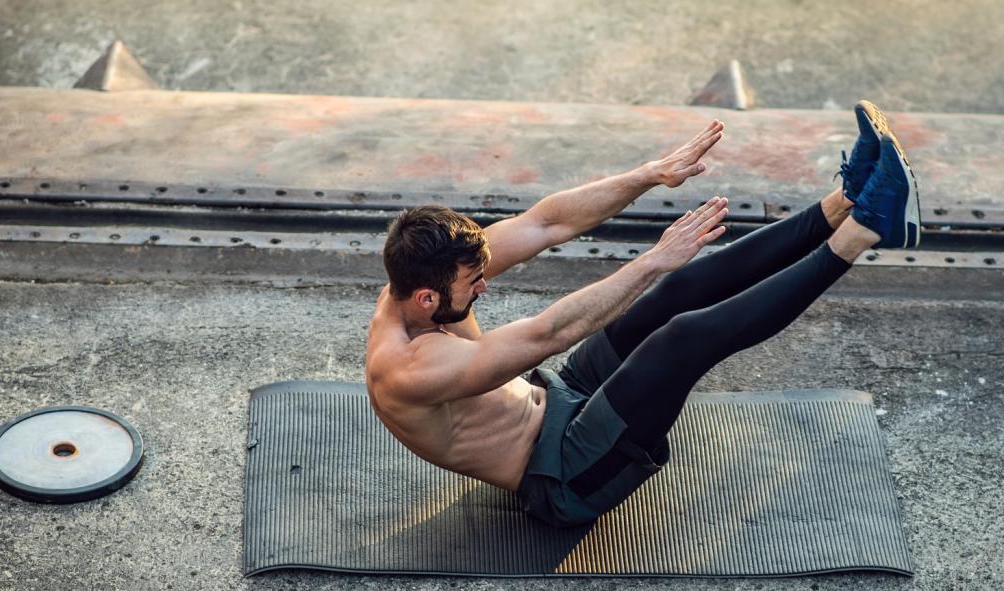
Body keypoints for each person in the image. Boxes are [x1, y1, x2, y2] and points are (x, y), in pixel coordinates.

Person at [365, 101, 920, 527]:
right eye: (474, 283)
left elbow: (544, 223)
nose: (485, 284)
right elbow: (549, 332)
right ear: (427, 302)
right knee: (679, 338)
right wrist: (652, 259)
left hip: (560, 396)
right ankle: (867, 230)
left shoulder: (425, 271)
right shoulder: (410, 368)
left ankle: (844, 200)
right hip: (564, 470)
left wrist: (648, 174)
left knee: (670, 297)